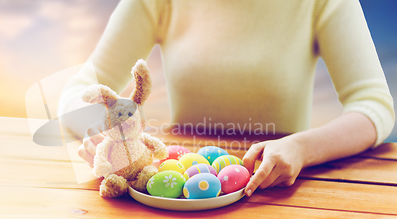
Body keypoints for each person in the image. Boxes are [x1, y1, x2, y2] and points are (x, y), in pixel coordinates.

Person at [58, 0, 394, 197]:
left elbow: (374, 105)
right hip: (178, 201)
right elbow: (81, 87)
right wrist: (97, 133)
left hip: (275, 194)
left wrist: (302, 148)